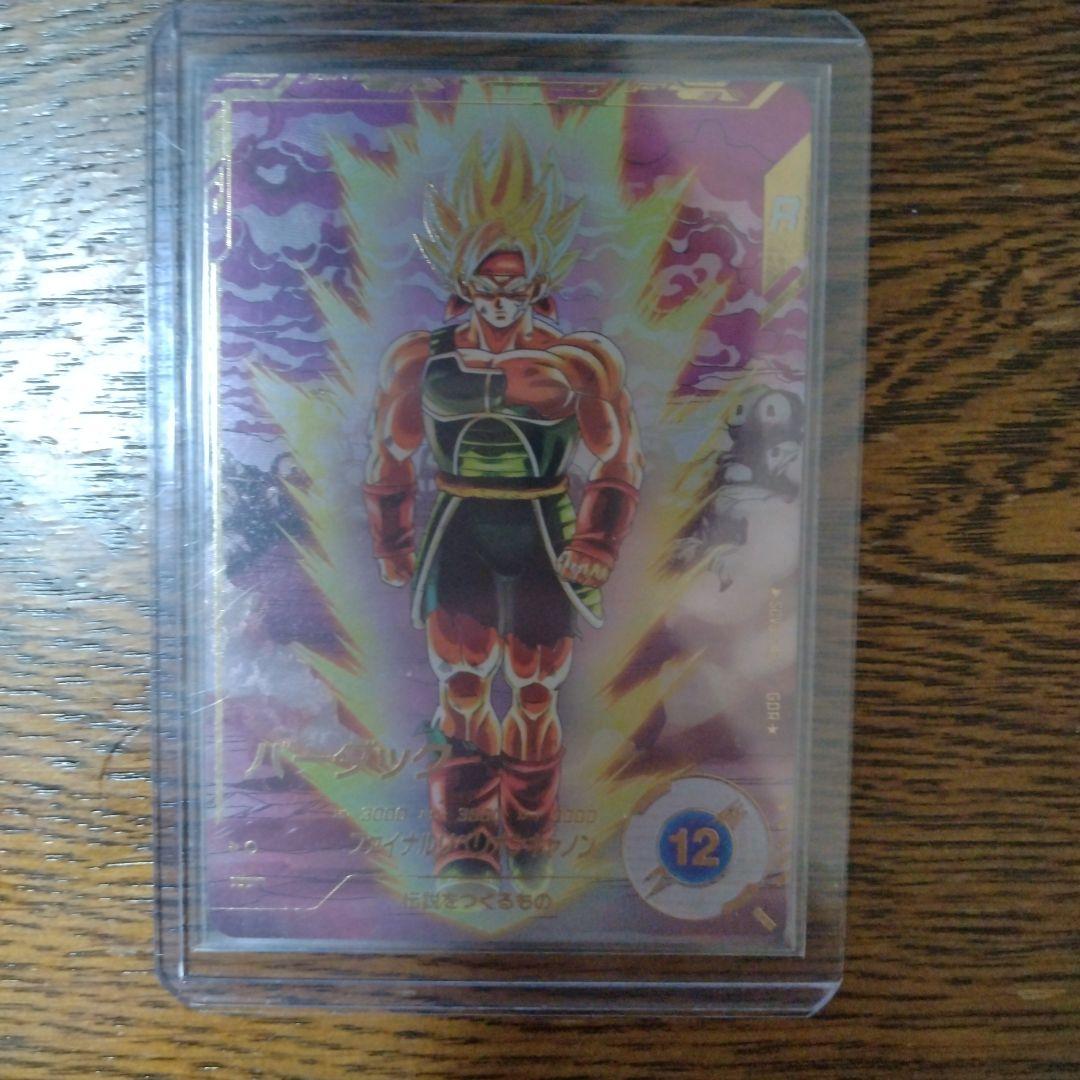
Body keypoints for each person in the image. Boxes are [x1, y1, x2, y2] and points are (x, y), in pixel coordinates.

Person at [362, 129, 643, 890]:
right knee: (460, 685)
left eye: (515, 285)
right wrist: (392, 541)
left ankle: (529, 838)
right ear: (462, 280)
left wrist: (598, 540)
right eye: (487, 282)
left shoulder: (577, 360)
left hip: (542, 531)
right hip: (460, 532)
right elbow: (390, 453)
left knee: (536, 688)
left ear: (537, 285)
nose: (499, 298)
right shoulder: (421, 359)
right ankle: (464, 842)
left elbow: (618, 459)